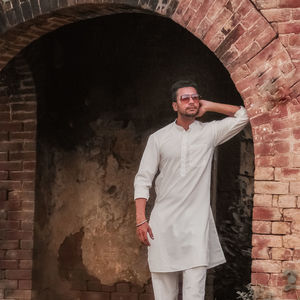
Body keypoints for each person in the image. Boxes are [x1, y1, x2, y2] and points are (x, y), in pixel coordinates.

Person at [134, 80, 249, 300]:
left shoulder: (210, 133)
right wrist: (141, 218)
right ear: (174, 105)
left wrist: (211, 106)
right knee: (164, 293)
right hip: (163, 225)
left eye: (195, 98)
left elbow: (243, 116)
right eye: (185, 98)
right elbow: (143, 179)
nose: (191, 102)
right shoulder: (158, 139)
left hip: (196, 226)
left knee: (194, 293)